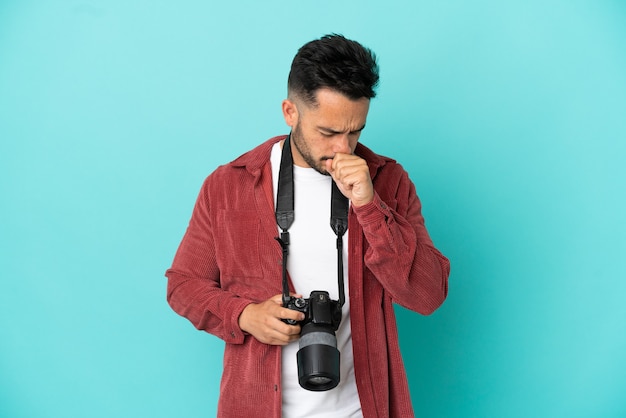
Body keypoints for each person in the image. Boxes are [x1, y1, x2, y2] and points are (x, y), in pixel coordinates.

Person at [165, 34, 450, 418]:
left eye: (356, 131)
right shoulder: (229, 185)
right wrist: (244, 315)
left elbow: (428, 295)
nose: (343, 148)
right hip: (257, 406)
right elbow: (183, 285)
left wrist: (368, 205)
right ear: (290, 111)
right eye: (329, 132)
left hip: (362, 407)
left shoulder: (388, 181)